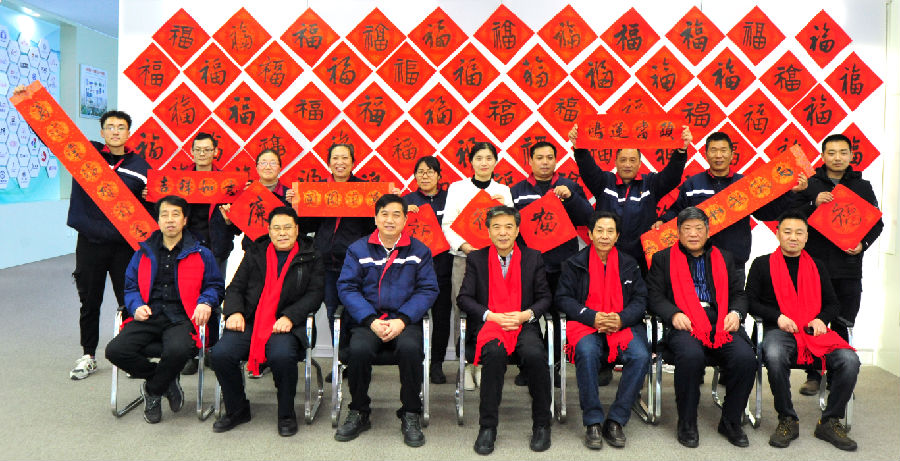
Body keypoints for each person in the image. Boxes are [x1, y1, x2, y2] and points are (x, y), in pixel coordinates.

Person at [105, 196, 225, 424]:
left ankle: (152, 390)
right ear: (158, 220)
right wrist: (135, 306)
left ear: (185, 220)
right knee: (115, 351)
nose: (170, 220)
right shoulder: (142, 253)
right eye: (164, 215)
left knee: (179, 350)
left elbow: (215, 286)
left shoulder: (201, 253)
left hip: (183, 317)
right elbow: (130, 287)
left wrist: (206, 302)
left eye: (175, 214)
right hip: (149, 315)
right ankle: (165, 381)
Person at [746, 211, 859, 451]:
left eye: (799, 233)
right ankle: (787, 418)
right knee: (774, 354)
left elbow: (833, 304)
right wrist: (777, 317)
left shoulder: (817, 266)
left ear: (807, 237)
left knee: (850, 360)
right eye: (787, 232)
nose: (793, 237)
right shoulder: (762, 264)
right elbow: (750, 302)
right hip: (778, 330)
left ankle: (830, 421)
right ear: (778, 234)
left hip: (812, 332)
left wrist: (821, 319)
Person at [646, 207, 755, 448]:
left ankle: (730, 421)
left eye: (698, 229)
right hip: (684, 322)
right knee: (691, 356)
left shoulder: (725, 257)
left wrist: (736, 313)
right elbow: (654, 296)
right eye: (687, 229)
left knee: (746, 358)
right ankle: (687, 422)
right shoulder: (663, 259)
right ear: (678, 233)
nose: (693, 234)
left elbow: (739, 294)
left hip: (720, 321)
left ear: (708, 231)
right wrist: (672, 314)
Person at [209, 206, 324, 436]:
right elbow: (235, 287)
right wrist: (234, 312)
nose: (282, 233)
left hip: (288, 324)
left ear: (297, 229)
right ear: (269, 231)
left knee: (282, 355)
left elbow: (315, 294)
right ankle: (237, 409)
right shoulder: (256, 253)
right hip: (252, 321)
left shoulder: (311, 255)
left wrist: (290, 316)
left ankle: (286, 414)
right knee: (220, 354)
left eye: (287, 228)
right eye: (276, 228)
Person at [334, 194, 438, 447]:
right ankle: (359, 410)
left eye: (396, 215)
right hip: (368, 320)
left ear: (405, 220)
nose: (390, 220)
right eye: (384, 214)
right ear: (375, 218)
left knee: (411, 349)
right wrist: (370, 320)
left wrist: (402, 320)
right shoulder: (358, 249)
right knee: (358, 350)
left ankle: (410, 412)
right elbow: (347, 288)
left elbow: (427, 289)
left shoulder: (419, 251)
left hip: (404, 321)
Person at [791, 133, 882, 396]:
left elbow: (877, 223)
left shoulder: (862, 186)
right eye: (831, 153)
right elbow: (791, 219)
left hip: (848, 267)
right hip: (814, 267)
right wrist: (813, 203)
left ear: (851, 155)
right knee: (813, 321)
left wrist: (862, 244)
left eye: (843, 152)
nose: (837, 158)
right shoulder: (809, 184)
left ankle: (838, 377)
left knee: (843, 322)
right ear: (823, 156)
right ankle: (813, 375)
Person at [457, 206, 552, 454]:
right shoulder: (477, 259)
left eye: (509, 227)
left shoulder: (533, 257)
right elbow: (464, 298)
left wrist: (525, 315)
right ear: (488, 231)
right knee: (495, 354)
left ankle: (542, 424)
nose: (503, 233)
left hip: (523, 323)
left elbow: (544, 297)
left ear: (517, 230)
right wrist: (491, 316)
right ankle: (487, 427)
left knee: (535, 354)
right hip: (491, 323)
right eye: (496, 227)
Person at [556, 210, 650, 449]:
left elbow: (640, 300)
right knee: (586, 352)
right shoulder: (574, 263)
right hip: (586, 324)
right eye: (599, 230)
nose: (604, 236)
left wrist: (621, 319)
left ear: (617, 236)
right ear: (590, 234)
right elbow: (563, 298)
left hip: (621, 325)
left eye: (610, 231)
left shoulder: (629, 264)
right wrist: (592, 316)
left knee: (640, 356)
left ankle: (616, 419)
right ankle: (593, 421)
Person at [660, 131, 808, 283]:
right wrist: (663, 221)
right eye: (713, 150)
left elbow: (765, 213)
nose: (719, 155)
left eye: (723, 150)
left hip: (734, 264)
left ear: (731, 155)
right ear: (705, 155)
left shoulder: (744, 184)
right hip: (697, 261)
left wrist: (792, 193)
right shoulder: (693, 184)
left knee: (734, 299)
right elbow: (678, 211)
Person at [68, 110, 152, 380]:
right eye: (110, 127)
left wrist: (150, 197)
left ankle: (129, 353)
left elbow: (149, 209)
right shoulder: (87, 155)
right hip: (90, 241)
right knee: (89, 300)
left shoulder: (141, 167)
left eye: (121, 127)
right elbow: (51, 136)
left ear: (129, 133)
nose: (116, 131)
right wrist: (29, 101)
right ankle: (88, 355)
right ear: (102, 131)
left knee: (128, 299)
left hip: (124, 245)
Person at [510, 140, 592, 387]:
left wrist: (572, 198)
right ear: (530, 161)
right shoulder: (517, 190)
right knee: (528, 317)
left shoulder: (569, 186)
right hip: (527, 267)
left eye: (549, 157)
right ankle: (528, 366)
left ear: (556, 160)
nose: (545, 162)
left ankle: (554, 365)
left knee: (558, 319)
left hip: (562, 266)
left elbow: (588, 218)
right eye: (539, 158)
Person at [568, 124, 692, 275]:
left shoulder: (651, 183)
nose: (627, 165)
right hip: (607, 255)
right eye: (623, 160)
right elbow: (588, 169)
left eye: (632, 160)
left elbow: (671, 176)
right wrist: (579, 147)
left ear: (639, 163)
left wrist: (681, 151)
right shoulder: (604, 181)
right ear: (616, 162)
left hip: (642, 257)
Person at [441, 142, 513, 391]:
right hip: (464, 258)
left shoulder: (503, 190)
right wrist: (464, 246)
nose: (484, 162)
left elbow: (510, 226)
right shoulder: (457, 188)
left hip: (495, 261)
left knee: (490, 311)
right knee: (462, 311)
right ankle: (464, 366)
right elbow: (448, 224)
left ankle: (481, 364)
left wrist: (504, 207)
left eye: (489, 158)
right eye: (479, 158)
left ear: (495, 162)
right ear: (471, 161)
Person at [301, 143, 376, 362]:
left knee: (356, 310)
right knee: (333, 311)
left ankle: (357, 359)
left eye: (345, 158)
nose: (340, 162)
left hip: (356, 263)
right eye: (335, 158)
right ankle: (340, 360)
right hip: (326, 263)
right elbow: (306, 226)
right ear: (328, 162)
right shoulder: (318, 190)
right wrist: (297, 204)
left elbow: (373, 227)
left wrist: (386, 199)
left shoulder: (364, 189)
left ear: (353, 162)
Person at [181, 132, 240, 375]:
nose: (202, 153)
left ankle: (212, 347)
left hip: (216, 248)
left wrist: (229, 219)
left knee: (213, 298)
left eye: (207, 149)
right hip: (186, 248)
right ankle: (190, 351)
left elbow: (238, 225)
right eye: (198, 149)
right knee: (186, 299)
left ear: (215, 152)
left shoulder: (228, 182)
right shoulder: (180, 179)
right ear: (192, 152)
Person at [402, 156, 452, 384]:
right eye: (420, 172)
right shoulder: (406, 201)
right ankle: (416, 361)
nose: (425, 176)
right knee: (414, 317)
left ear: (439, 176)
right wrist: (403, 213)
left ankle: (436, 363)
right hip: (413, 272)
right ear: (414, 176)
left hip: (443, 268)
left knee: (441, 318)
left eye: (430, 171)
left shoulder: (450, 199)